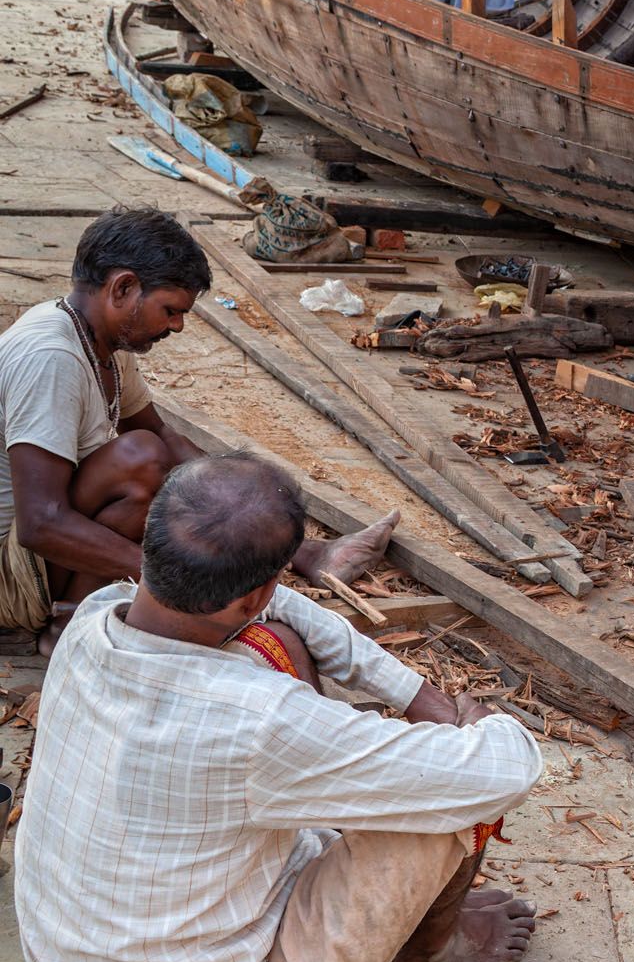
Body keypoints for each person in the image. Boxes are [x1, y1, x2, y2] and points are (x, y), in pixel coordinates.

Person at [14, 453, 543, 962]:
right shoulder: (255, 721)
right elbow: (507, 770)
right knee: (456, 795)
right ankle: (423, 954)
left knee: (279, 644)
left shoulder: (98, 613)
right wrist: (468, 719)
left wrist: (409, 691)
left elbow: (275, 605)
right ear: (253, 594)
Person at [0, 207, 398, 652]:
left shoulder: (102, 339)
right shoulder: (51, 356)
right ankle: (67, 624)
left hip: (33, 559)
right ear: (123, 288)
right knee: (139, 463)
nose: (177, 325)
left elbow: (166, 438)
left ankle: (309, 556)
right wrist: (175, 583)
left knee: (169, 470)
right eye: (170, 310)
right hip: (8, 578)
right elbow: (41, 524)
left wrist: (271, 529)